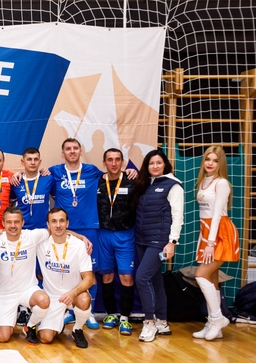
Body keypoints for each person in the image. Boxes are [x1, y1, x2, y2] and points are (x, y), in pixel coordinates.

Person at [48, 138, 109, 329]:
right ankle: (70, 310)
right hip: (63, 228)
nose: (72, 151)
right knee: (66, 268)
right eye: (68, 148)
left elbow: (112, 175)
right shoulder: (54, 172)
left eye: (75, 148)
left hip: (89, 227)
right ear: (63, 153)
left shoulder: (92, 170)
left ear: (81, 151)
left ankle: (88, 311)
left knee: (90, 271)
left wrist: (129, 172)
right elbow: (37, 179)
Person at [132, 149, 184, 343]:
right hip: (141, 240)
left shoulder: (174, 185)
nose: (155, 166)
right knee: (155, 279)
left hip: (159, 243)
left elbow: (178, 216)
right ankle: (162, 321)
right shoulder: (144, 183)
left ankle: (149, 322)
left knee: (142, 277)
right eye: (151, 163)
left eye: (158, 163)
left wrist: (172, 243)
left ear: (165, 164)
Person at [0, 207, 53, 348]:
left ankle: (30, 325)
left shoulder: (31, 236)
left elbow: (56, 230)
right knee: (3, 338)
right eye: (9, 222)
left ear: (22, 222)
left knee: (44, 300)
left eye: (16, 222)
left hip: (27, 290)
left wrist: (81, 237)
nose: (13, 226)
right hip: (4, 294)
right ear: (3, 223)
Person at [193, 145, 239, 341]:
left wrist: (210, 243)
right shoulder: (203, 181)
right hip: (207, 232)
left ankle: (217, 318)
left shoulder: (222, 183)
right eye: (208, 159)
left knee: (201, 274)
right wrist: (203, 240)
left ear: (221, 163)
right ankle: (214, 325)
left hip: (220, 233)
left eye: (215, 160)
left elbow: (218, 214)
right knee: (212, 278)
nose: (210, 163)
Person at [36, 208, 95, 348]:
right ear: (48, 225)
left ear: (67, 223)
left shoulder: (79, 246)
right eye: (54, 221)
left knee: (84, 299)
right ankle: (59, 323)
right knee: (45, 338)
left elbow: (89, 279)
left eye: (62, 221)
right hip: (52, 297)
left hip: (73, 295)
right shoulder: (40, 243)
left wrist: (72, 293)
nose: (58, 225)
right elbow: (17, 234)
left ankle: (77, 329)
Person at [96, 148, 137, 335]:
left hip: (125, 235)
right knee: (107, 276)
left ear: (123, 162)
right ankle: (111, 314)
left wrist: (135, 172)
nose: (113, 163)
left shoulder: (132, 180)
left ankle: (125, 318)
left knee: (126, 277)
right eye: (110, 159)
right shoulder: (97, 181)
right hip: (103, 234)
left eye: (117, 159)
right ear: (104, 162)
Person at [9, 147, 52, 230]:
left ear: (40, 162)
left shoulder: (48, 179)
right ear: (23, 162)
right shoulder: (16, 181)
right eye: (29, 159)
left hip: (43, 228)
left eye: (36, 159)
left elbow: (56, 197)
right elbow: (10, 203)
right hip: (22, 229)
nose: (33, 162)